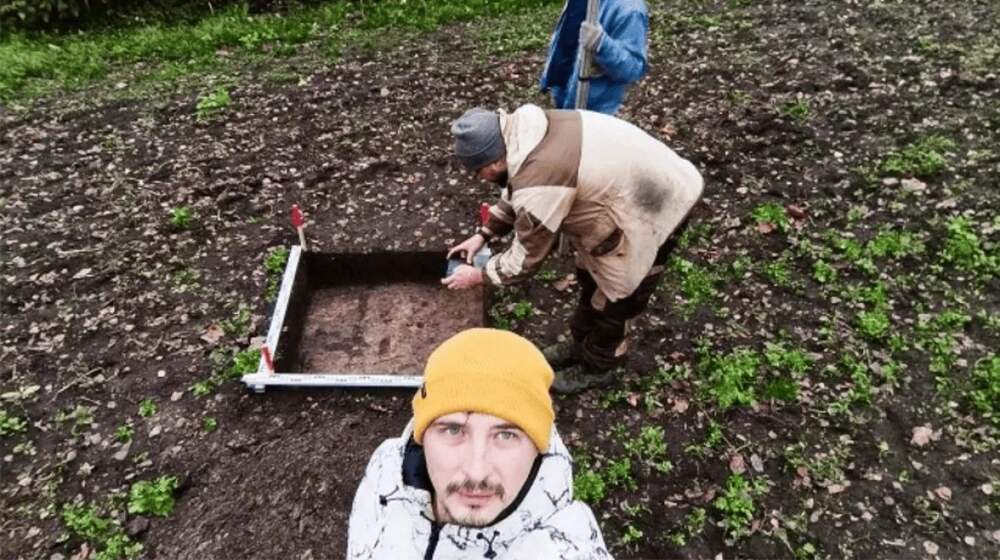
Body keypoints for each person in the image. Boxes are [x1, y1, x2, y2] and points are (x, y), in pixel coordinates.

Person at [441, 104, 703, 394]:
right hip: (629, 185)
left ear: (495, 162)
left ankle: (600, 366)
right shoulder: (522, 136)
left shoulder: (541, 178)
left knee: (620, 296)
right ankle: (581, 346)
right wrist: (484, 234)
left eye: (478, 170)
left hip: (658, 204)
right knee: (592, 279)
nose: (480, 177)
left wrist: (479, 276)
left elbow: (525, 259)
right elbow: (517, 189)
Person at [346, 328, 611, 559]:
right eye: (453, 430)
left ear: (538, 447)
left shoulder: (570, 550)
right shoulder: (387, 467)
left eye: (506, 435)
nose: (476, 472)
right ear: (422, 435)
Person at [539, 0, 649, 115]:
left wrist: (601, 44)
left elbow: (633, 69)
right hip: (563, 89)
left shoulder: (631, 9)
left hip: (594, 108)